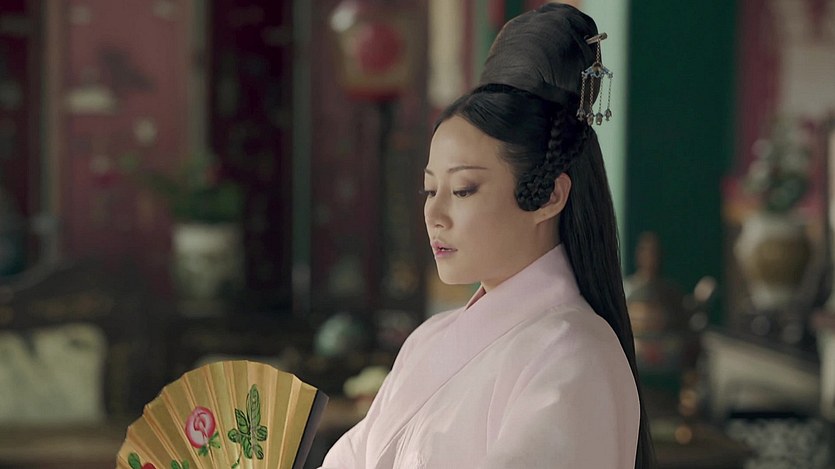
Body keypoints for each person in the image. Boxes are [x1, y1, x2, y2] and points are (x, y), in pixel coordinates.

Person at [319, 3, 654, 468]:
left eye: (463, 189)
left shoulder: (574, 354)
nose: (434, 214)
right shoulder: (428, 341)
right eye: (429, 190)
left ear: (548, 196)